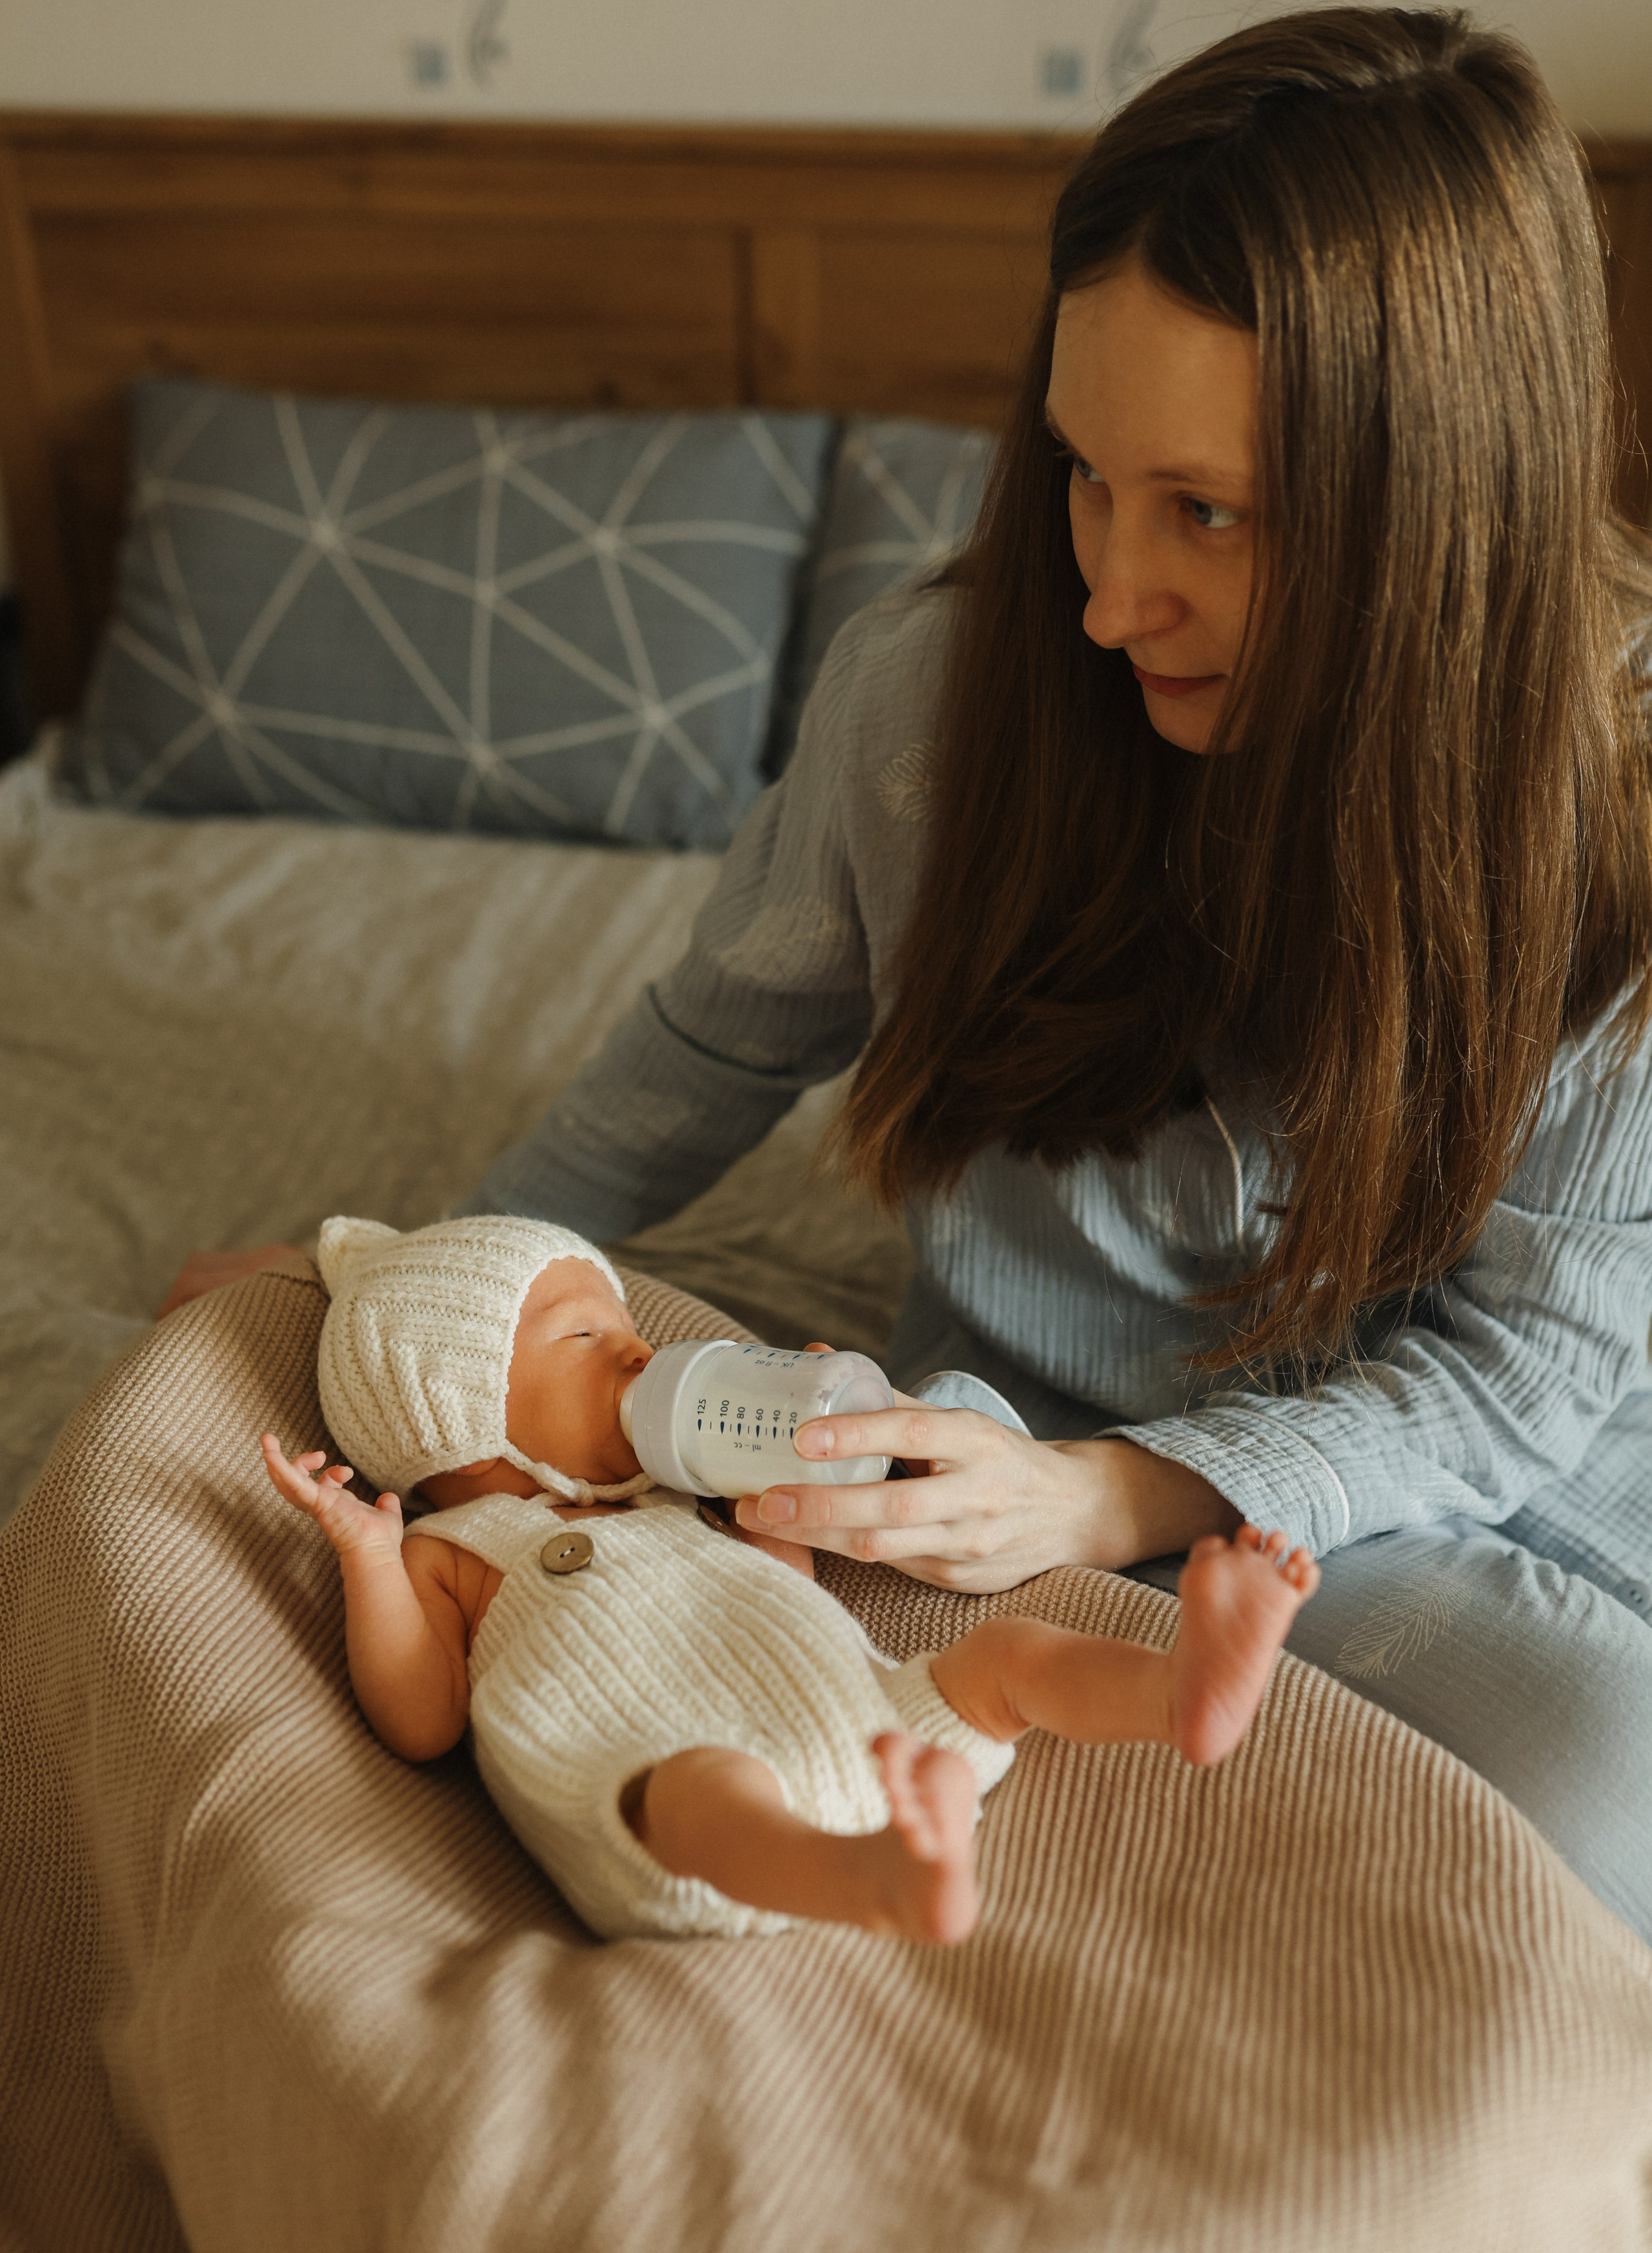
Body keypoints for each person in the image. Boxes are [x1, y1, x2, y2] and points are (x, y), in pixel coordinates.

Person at [170, 10, 1652, 1942]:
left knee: (1600, 1803)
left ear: (1438, 513)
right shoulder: (936, 708)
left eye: (1207, 509)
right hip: (1013, 1451)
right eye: (1081, 472)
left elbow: (1526, 1363)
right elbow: (707, 1042)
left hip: (1466, 1461)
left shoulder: (1610, 800)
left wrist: (1115, 1499)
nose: (1111, 593)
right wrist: (407, 1285)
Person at [261, 1213, 1318, 1943]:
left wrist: (790, 1472)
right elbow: (424, 1719)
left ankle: (1180, 1692)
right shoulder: (461, 1548)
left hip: (867, 1720)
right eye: (583, 1338)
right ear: (454, 1425)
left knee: (1002, 1663)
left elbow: (788, 1600)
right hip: (671, 1799)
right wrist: (366, 1555)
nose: (640, 1354)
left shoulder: (683, 1497)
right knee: (705, 1796)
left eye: (628, 1327)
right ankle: (869, 1878)